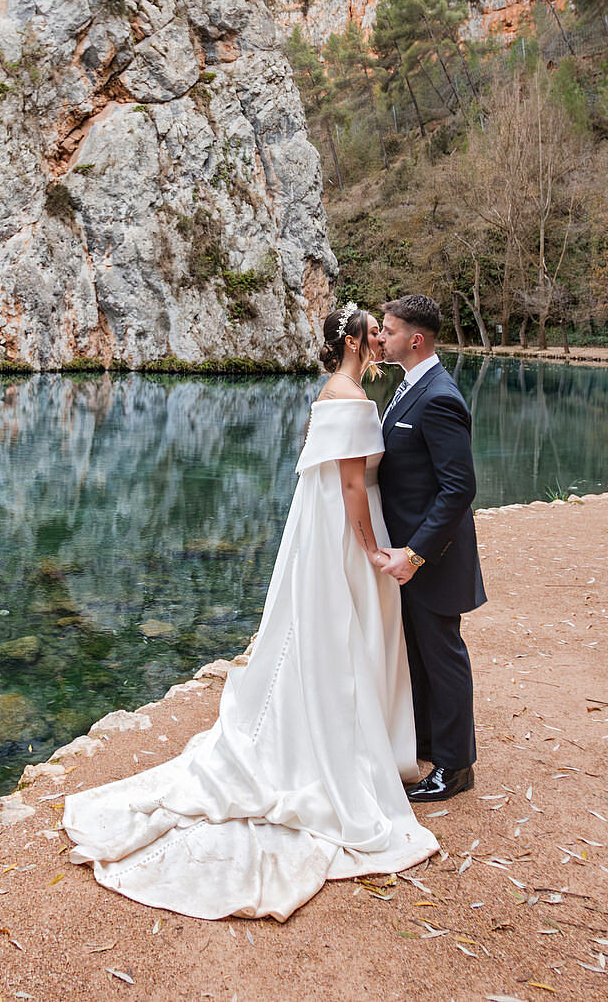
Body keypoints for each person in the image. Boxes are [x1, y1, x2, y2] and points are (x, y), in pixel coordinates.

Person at [60, 303, 439, 921]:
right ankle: (333, 748)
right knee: (342, 637)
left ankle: (341, 729)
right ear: (351, 339)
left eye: (382, 332)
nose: (379, 339)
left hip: (323, 528)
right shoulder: (349, 398)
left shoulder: (334, 390)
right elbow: (350, 485)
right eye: (373, 332)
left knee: (325, 637)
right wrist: (369, 547)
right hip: (344, 532)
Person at [370, 294, 485, 803]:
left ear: (415, 339)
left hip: (432, 559)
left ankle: (456, 768)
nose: (380, 338)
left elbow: (458, 487)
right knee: (418, 656)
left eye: (388, 331)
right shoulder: (407, 387)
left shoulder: (439, 396)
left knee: (443, 658)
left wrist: (414, 554)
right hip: (408, 554)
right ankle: (428, 747)